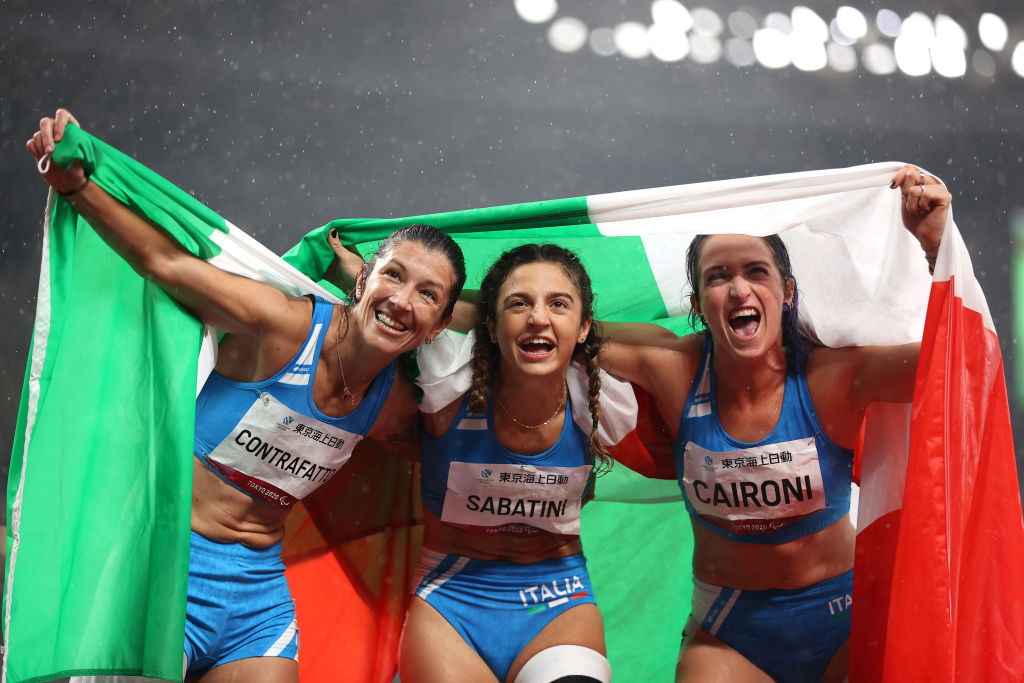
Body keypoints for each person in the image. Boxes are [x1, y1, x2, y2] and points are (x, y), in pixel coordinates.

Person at [26, 109, 467, 682]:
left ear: (438, 326)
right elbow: (167, 263)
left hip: (256, 595)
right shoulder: (284, 328)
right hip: (169, 561)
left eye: (427, 294)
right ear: (363, 280)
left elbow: (469, 464)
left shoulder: (391, 407)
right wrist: (79, 187)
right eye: (393, 276)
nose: (403, 300)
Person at [596, 166, 951, 682]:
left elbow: (957, 360)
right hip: (729, 631)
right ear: (697, 305)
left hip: (847, 621)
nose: (738, 288)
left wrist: (935, 245)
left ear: (786, 291)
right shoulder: (675, 371)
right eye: (718, 277)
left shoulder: (833, 377)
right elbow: (559, 327)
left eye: (755, 272)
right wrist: (441, 300)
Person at [397, 244, 613, 683]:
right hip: (451, 601)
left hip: (557, 601)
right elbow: (400, 313)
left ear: (586, 325)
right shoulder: (446, 389)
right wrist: (358, 277)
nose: (538, 318)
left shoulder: (603, 400)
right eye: (519, 303)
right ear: (490, 329)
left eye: (558, 304)